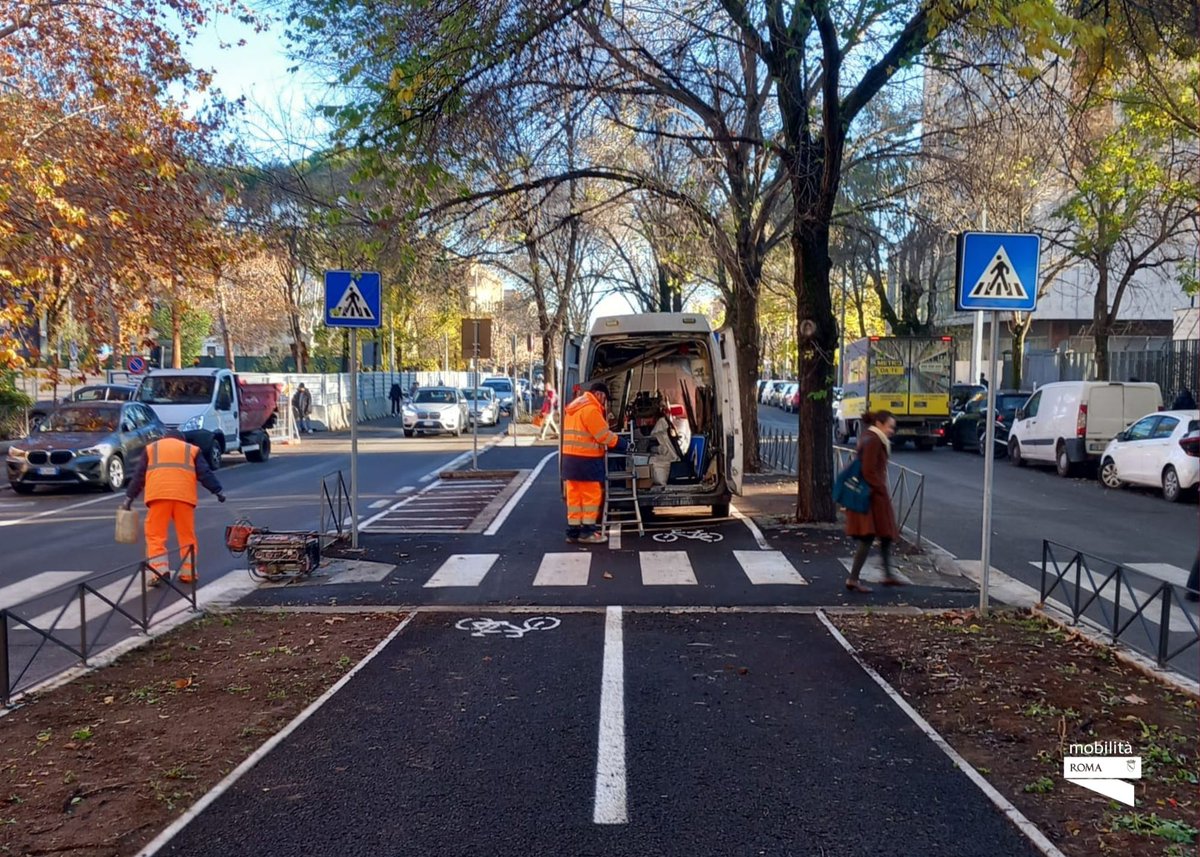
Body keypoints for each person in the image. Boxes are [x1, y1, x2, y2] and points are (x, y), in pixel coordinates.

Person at [122, 429, 225, 586]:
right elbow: (204, 473)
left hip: (159, 496)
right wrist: (217, 491)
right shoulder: (191, 450)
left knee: (155, 535)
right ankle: (189, 573)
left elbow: (139, 476)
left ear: (164, 437)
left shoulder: (152, 448)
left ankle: (159, 571)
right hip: (184, 498)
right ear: (182, 439)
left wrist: (129, 497)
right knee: (186, 535)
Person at [844, 410, 904, 593]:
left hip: (873, 495)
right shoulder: (874, 440)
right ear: (879, 423)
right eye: (890, 426)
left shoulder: (870, 437)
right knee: (868, 536)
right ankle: (853, 578)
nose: (892, 430)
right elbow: (868, 470)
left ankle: (888, 575)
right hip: (871, 496)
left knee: (885, 534)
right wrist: (880, 488)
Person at [562, 381, 627, 544]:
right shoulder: (591, 409)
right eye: (604, 398)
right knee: (591, 495)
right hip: (587, 460)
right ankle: (588, 532)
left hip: (570, 459)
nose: (604, 402)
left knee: (574, 497)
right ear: (599, 394)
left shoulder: (574, 408)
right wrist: (622, 443)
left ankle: (573, 532)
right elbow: (602, 435)